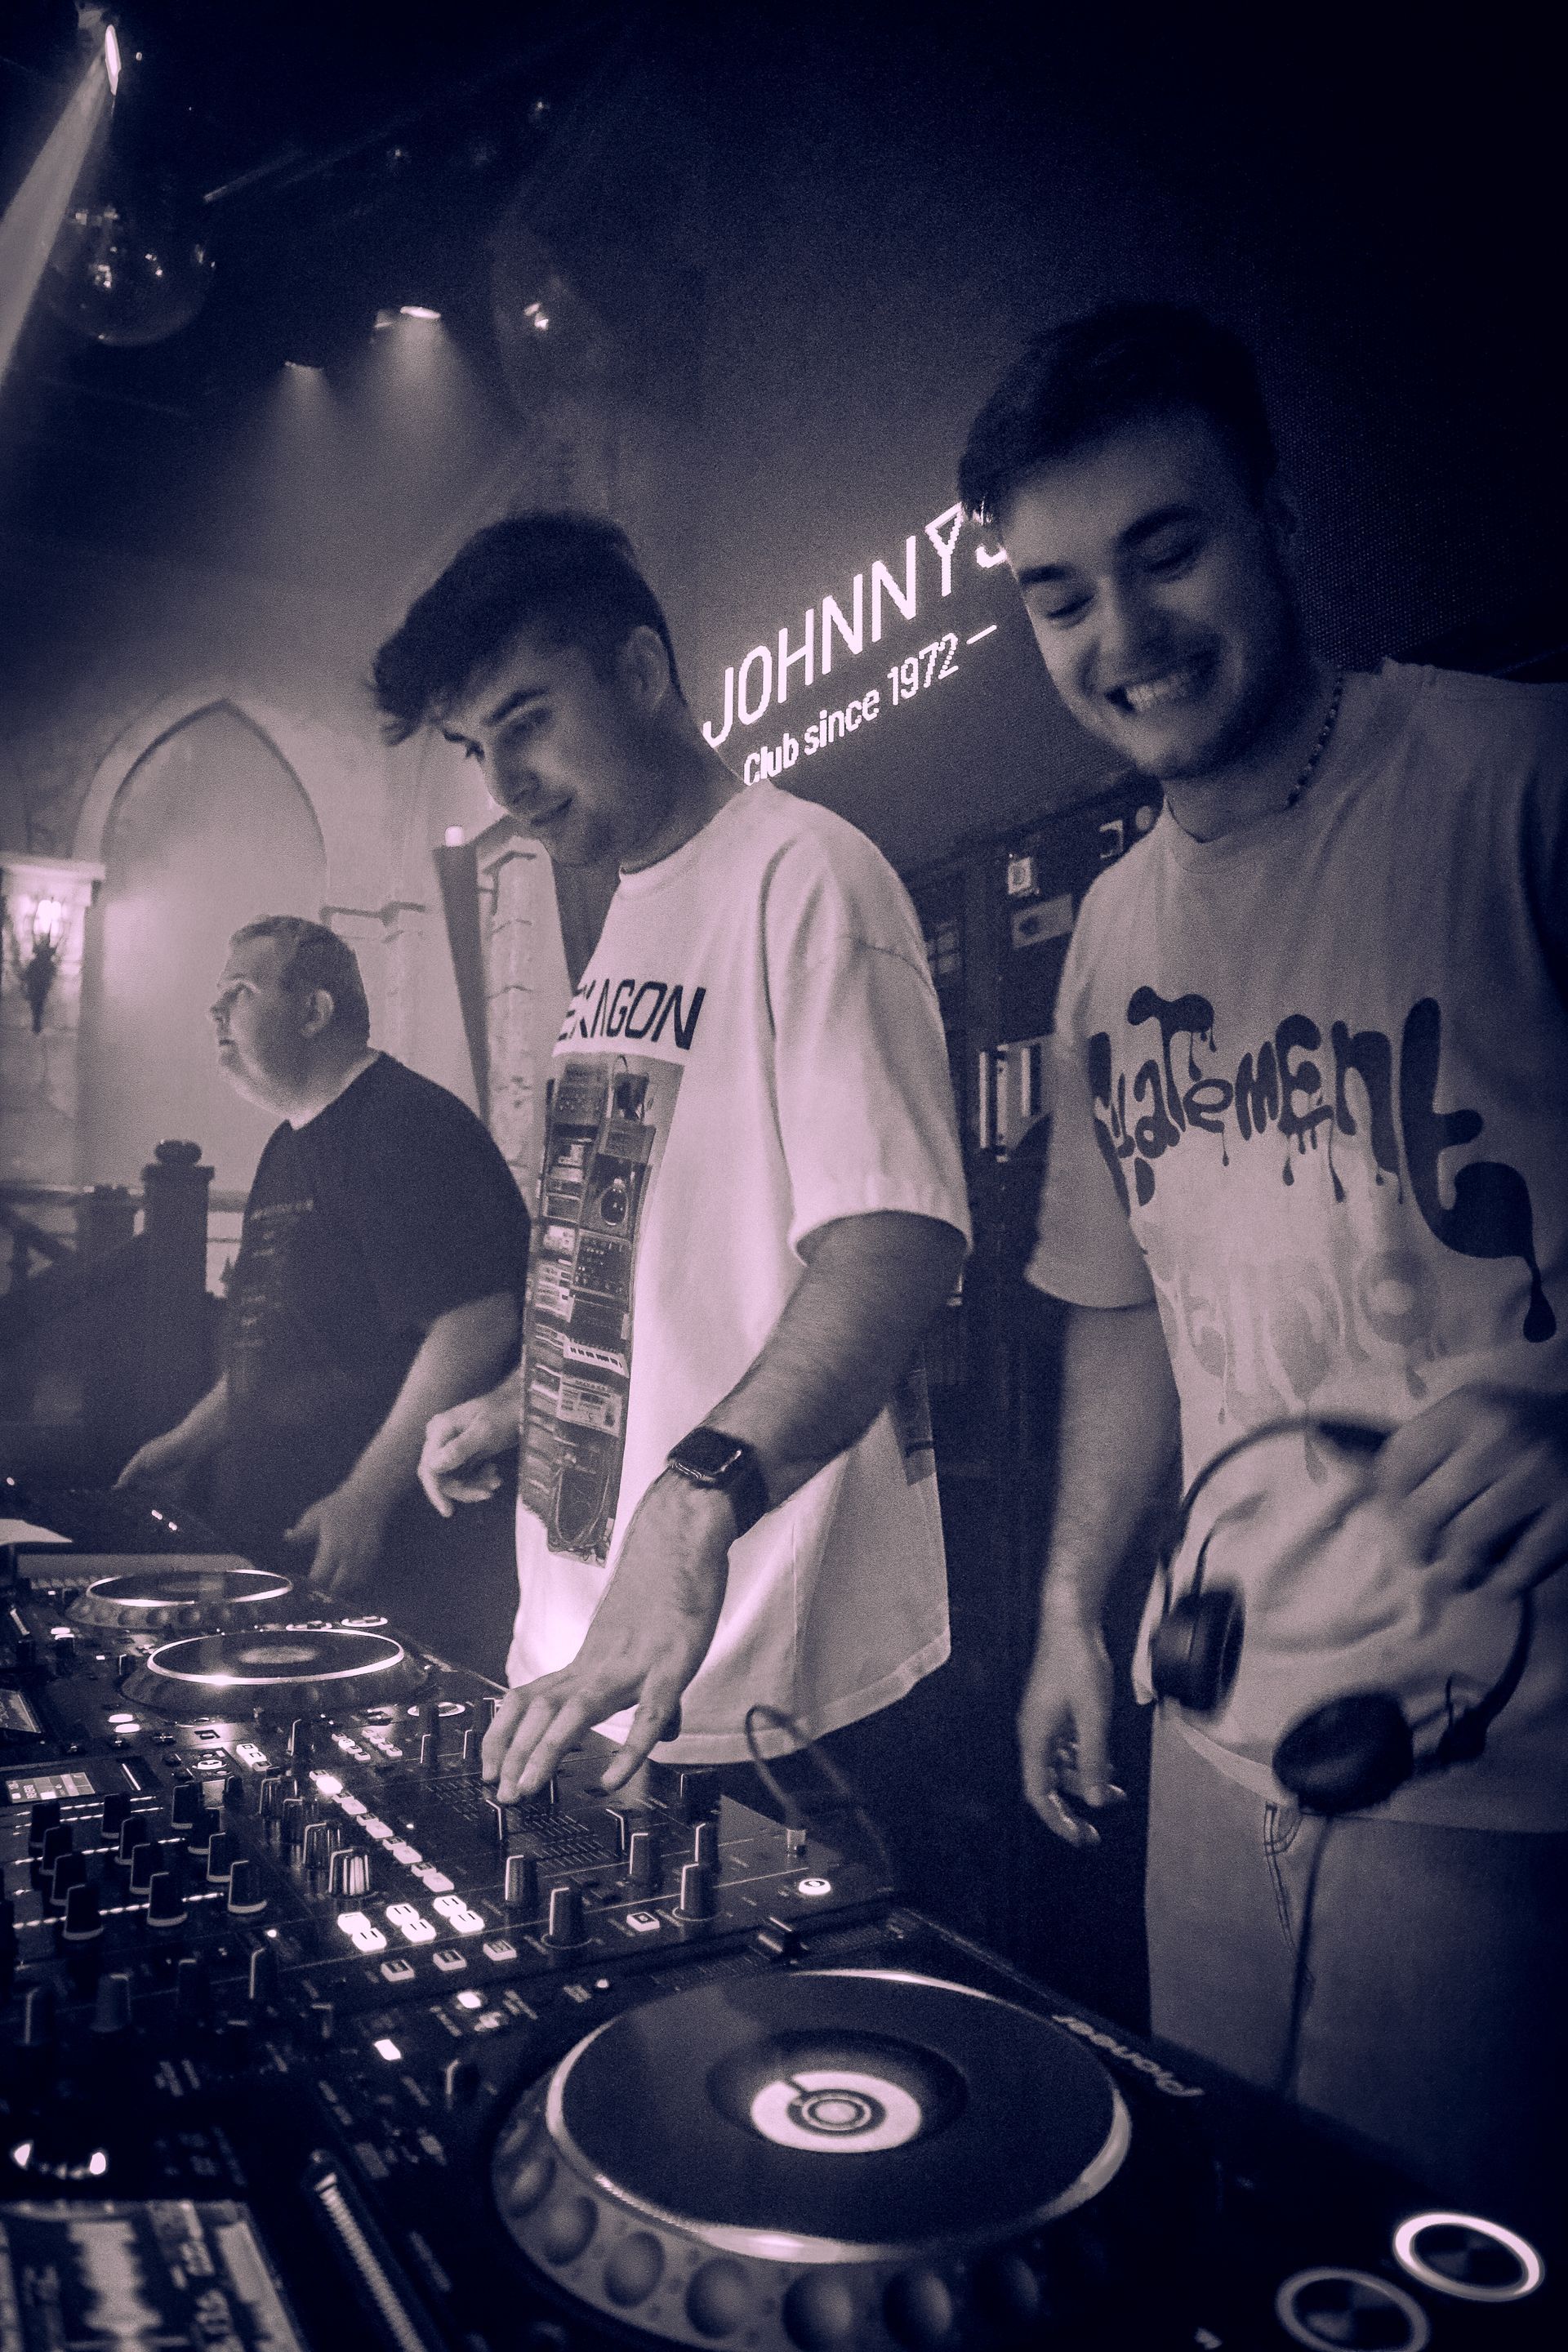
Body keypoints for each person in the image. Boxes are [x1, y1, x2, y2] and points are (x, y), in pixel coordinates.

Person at [958, 302, 1567, 2230]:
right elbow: (1122, 1304)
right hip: (1209, 1740)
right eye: (1060, 595)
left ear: (1277, 521)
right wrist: (1075, 1609)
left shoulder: (1517, 780)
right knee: (1226, 2235)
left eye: (1166, 552)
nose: (1121, 634)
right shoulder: (1108, 934)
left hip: (1506, 1777)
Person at [371, 512, 970, 1807]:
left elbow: (894, 1247)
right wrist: (530, 1400)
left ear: (641, 673)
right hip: (592, 1655)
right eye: (478, 748)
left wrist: (699, 1492)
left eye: (527, 722)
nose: (504, 782)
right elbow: (667, 1265)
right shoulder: (633, 910)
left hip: (760, 1678)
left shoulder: (806, 873)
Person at [116, 915, 530, 1668]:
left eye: (240, 992)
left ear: (313, 1011)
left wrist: (368, 1493)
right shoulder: (291, 1140)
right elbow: (281, 1336)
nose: (215, 1011)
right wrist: (192, 1437)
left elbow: (476, 1322)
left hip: (396, 1559)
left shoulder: (405, 1126)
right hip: (292, 1540)